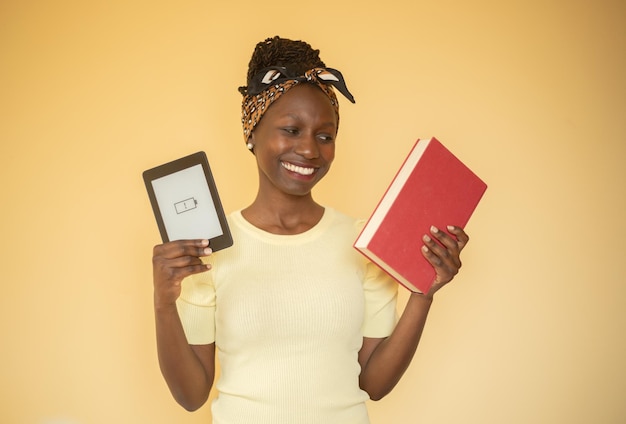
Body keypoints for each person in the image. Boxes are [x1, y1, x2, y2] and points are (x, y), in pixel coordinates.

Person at [152, 36, 469, 424]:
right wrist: (163, 302)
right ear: (252, 132)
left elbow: (375, 382)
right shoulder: (209, 249)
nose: (309, 150)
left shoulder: (363, 243)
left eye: (325, 135)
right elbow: (191, 395)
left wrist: (423, 293)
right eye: (291, 130)